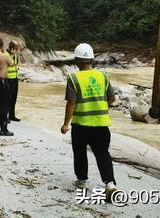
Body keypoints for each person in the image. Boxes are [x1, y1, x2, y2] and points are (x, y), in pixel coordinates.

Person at [60, 43, 117, 200]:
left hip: (81, 124)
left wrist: (65, 123)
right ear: (91, 59)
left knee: (80, 153)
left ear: (77, 60)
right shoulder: (103, 76)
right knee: (103, 154)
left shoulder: (73, 78)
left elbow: (71, 103)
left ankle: (82, 180)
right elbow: (112, 99)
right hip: (102, 124)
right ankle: (110, 184)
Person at [6, 41, 21, 122]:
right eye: (17, 46)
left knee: (14, 98)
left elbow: (16, 64)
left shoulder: (15, 54)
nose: (18, 48)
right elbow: (10, 64)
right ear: (12, 46)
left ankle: (12, 115)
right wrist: (12, 54)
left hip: (15, 78)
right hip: (8, 78)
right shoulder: (6, 54)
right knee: (8, 98)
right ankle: (6, 116)